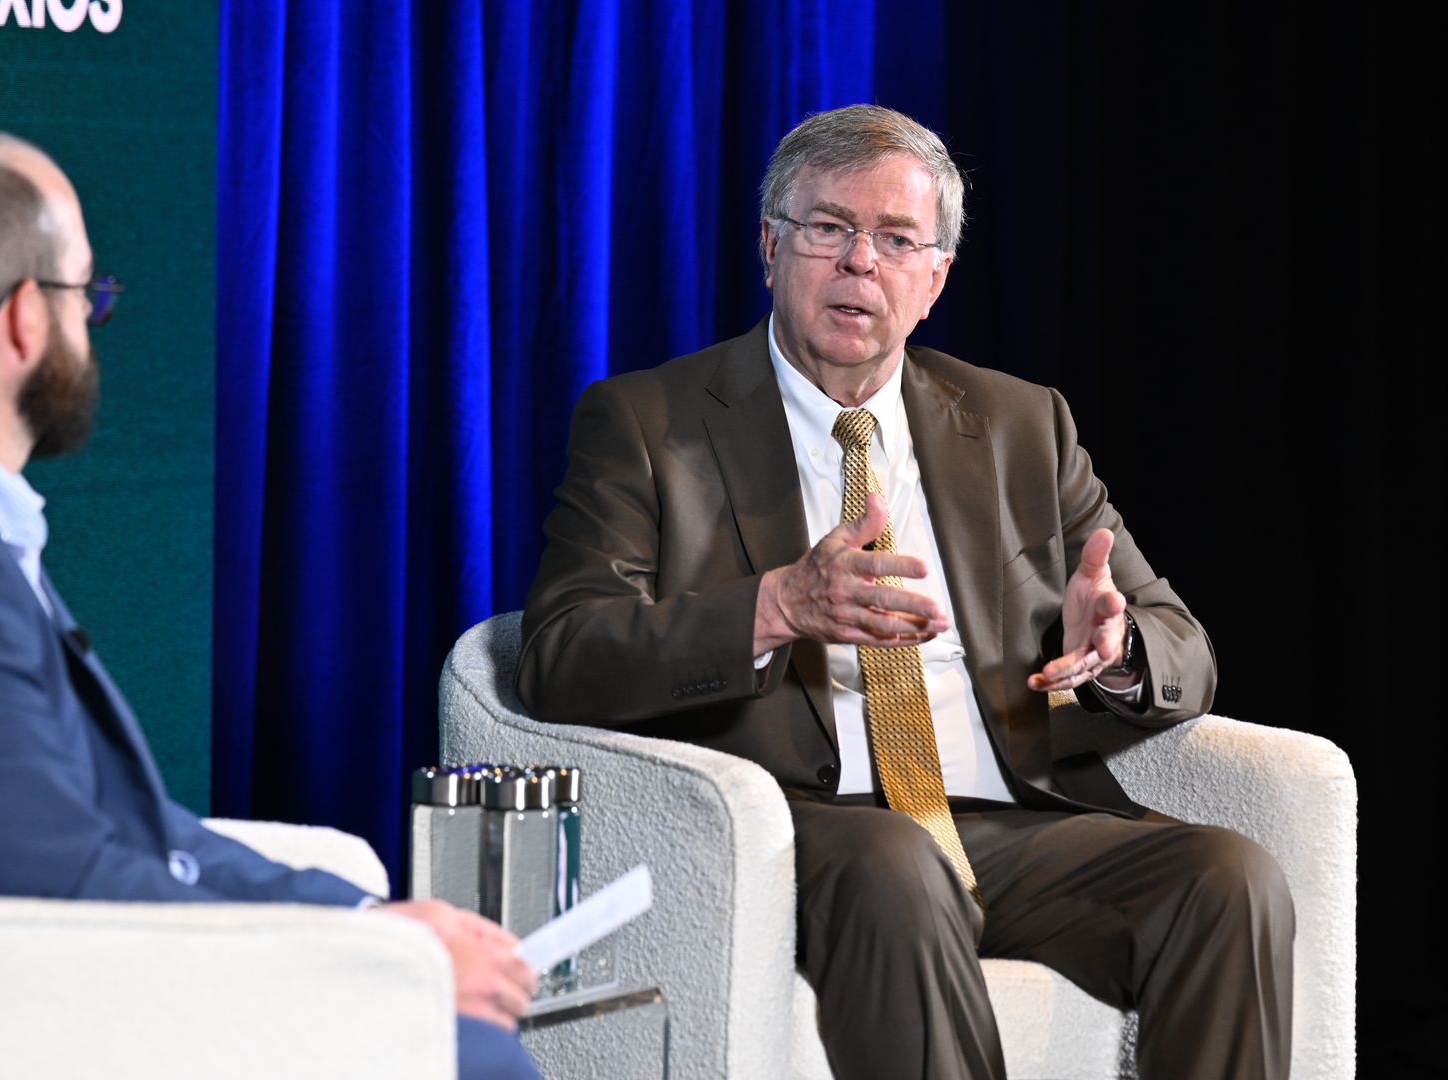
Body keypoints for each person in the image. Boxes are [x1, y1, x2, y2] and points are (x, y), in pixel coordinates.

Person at [0, 129, 540, 1080]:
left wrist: (363, 919)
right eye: (90, 296)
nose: (95, 320)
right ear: (22, 322)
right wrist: (387, 969)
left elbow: (113, 828)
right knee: (472, 1058)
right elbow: (70, 895)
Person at [516, 105, 1293, 1079]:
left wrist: (1120, 648)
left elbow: (1185, 648)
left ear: (935, 277)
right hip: (806, 828)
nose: (859, 265)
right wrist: (776, 608)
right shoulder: (647, 422)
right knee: (894, 866)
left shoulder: (1020, 425)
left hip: (1003, 820)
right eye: (829, 229)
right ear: (770, 245)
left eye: (896, 240)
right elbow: (558, 657)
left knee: (1229, 878)